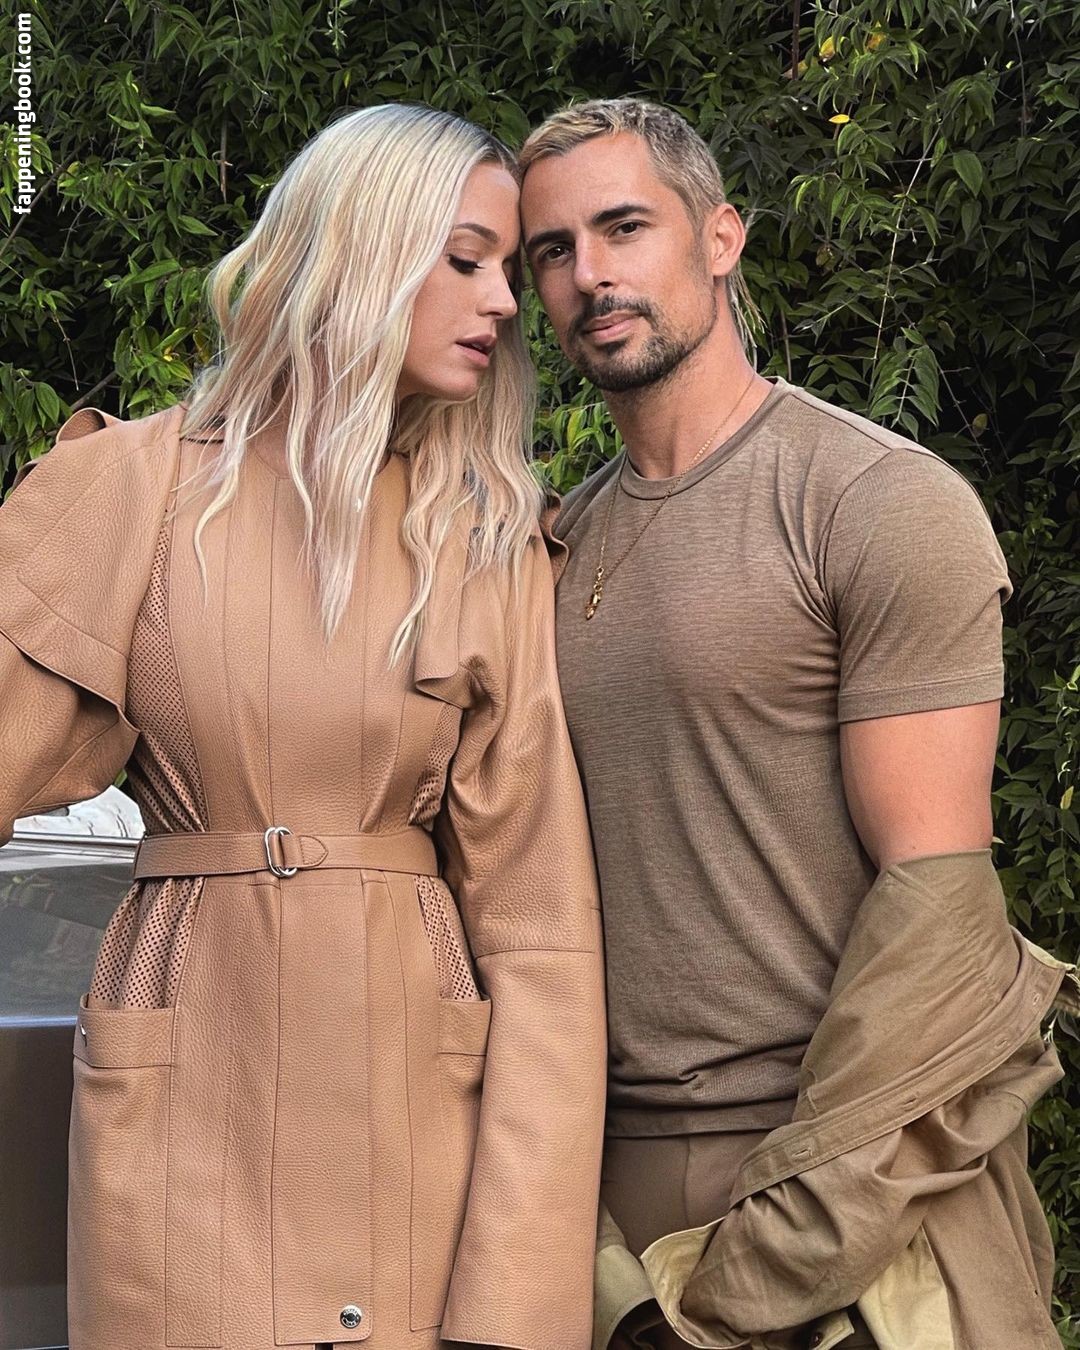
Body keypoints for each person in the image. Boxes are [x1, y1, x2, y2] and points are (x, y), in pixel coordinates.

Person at [0, 104, 606, 1350]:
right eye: (465, 259)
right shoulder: (130, 488)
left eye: (507, 267)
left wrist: (517, 1300)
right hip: (185, 1096)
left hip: (414, 1118)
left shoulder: (486, 537)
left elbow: (543, 937)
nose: (505, 302)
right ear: (357, 252)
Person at [519, 98, 1075, 1350]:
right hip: (609, 1195)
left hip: (856, 1185)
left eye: (624, 227)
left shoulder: (873, 502)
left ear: (721, 238)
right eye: (553, 249)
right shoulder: (549, 546)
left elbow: (937, 910)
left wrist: (784, 1247)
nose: (590, 273)